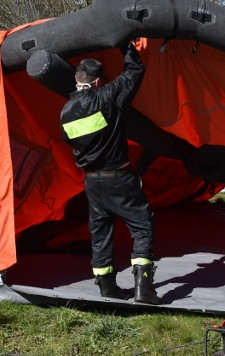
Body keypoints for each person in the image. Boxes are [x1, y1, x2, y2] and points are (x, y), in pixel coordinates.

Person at [60, 41, 161, 305]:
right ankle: (144, 290)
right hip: (119, 177)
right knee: (142, 225)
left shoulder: (65, 113)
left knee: (101, 232)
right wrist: (126, 47)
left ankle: (107, 287)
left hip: (92, 183)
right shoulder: (107, 97)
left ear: (78, 81)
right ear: (96, 83)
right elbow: (134, 73)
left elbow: (71, 142)